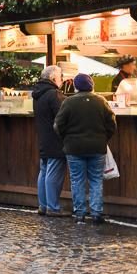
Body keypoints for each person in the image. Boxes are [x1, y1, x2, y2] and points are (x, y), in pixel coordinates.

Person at [54, 74, 116, 224]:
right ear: (91, 85)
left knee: (77, 181)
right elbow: (112, 124)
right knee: (96, 180)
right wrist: (103, 138)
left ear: (76, 86)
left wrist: (66, 139)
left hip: (74, 148)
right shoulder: (101, 101)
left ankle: (80, 214)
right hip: (97, 147)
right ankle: (96, 214)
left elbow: (57, 125)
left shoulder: (68, 102)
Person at [32, 65, 68, 217]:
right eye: (61, 76)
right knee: (53, 173)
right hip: (56, 140)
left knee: (44, 172)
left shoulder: (38, 93)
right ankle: (53, 207)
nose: (62, 79)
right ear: (53, 78)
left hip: (44, 138)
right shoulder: (54, 94)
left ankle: (43, 205)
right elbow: (62, 117)